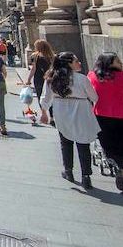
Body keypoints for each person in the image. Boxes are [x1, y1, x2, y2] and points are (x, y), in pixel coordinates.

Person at [40, 52, 100, 189]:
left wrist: (44, 112)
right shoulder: (82, 79)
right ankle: (86, 177)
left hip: (61, 112)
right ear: (69, 64)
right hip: (81, 111)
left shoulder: (51, 79)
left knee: (65, 142)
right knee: (83, 144)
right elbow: (94, 97)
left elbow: (46, 98)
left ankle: (68, 171)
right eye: (76, 61)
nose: (79, 63)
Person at [89, 52, 123, 192]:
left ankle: (112, 160)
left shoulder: (92, 76)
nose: (120, 62)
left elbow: (90, 94)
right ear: (109, 63)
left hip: (102, 115)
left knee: (109, 144)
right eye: (117, 61)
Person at [23, 40, 55, 119]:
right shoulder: (52, 56)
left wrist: (29, 79)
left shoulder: (35, 56)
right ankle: (51, 116)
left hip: (39, 79)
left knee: (40, 96)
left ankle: (44, 115)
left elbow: (33, 69)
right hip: (50, 79)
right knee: (50, 97)